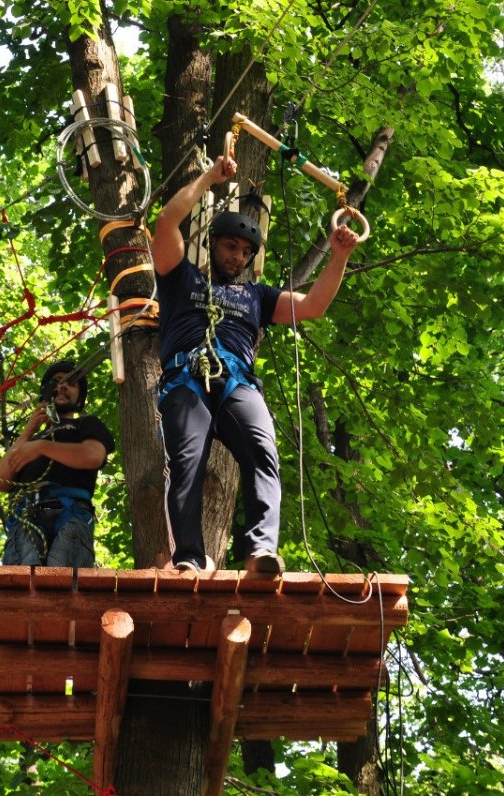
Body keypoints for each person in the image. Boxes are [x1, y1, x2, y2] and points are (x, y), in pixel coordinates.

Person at [152, 154, 362, 575]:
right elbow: (165, 224)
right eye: (231, 246)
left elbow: (314, 305)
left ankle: (261, 550)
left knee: (262, 450)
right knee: (187, 462)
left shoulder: (257, 297)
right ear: (213, 244)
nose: (238, 256)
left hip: (236, 382)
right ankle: (189, 558)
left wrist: (339, 255)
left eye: (246, 251)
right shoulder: (181, 278)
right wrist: (209, 178)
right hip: (186, 378)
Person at [0, 361, 115, 567]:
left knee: (63, 588)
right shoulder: (29, 441)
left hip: (71, 512)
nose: (63, 386)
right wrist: (29, 431)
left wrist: (42, 447)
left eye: (71, 384)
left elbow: (93, 455)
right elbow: (0, 481)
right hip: (27, 517)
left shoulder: (84, 424)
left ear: (79, 398)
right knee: (25, 590)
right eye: (57, 382)